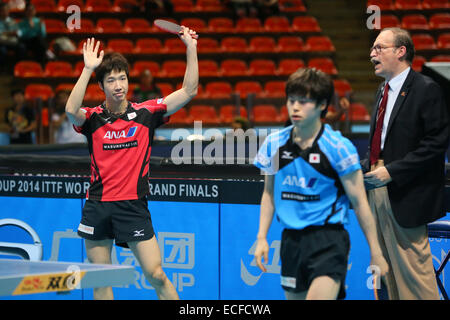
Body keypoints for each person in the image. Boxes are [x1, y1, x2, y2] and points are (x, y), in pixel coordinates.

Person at [65, 29, 198, 299]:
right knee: (101, 281)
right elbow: (70, 110)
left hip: (133, 206)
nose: (118, 85)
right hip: (98, 206)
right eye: (111, 80)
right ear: (101, 86)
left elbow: (189, 90)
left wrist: (191, 48)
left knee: (157, 274)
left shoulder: (146, 114)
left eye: (122, 78)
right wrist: (88, 69)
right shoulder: (92, 118)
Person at [253, 68, 388, 300]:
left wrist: (376, 252)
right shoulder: (274, 144)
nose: (295, 107)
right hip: (291, 241)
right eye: (292, 100)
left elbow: (360, 202)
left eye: (304, 102)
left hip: (329, 240)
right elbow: (268, 194)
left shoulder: (338, 147)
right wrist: (261, 237)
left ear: (322, 105)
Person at [362, 27, 449, 300]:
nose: (372, 54)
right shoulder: (382, 91)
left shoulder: (426, 89)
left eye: (379, 48)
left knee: (415, 279)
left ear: (401, 51)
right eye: (373, 48)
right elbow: (385, 143)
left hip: (407, 192)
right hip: (378, 188)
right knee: (387, 275)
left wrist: (393, 171)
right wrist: (366, 166)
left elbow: (436, 144)